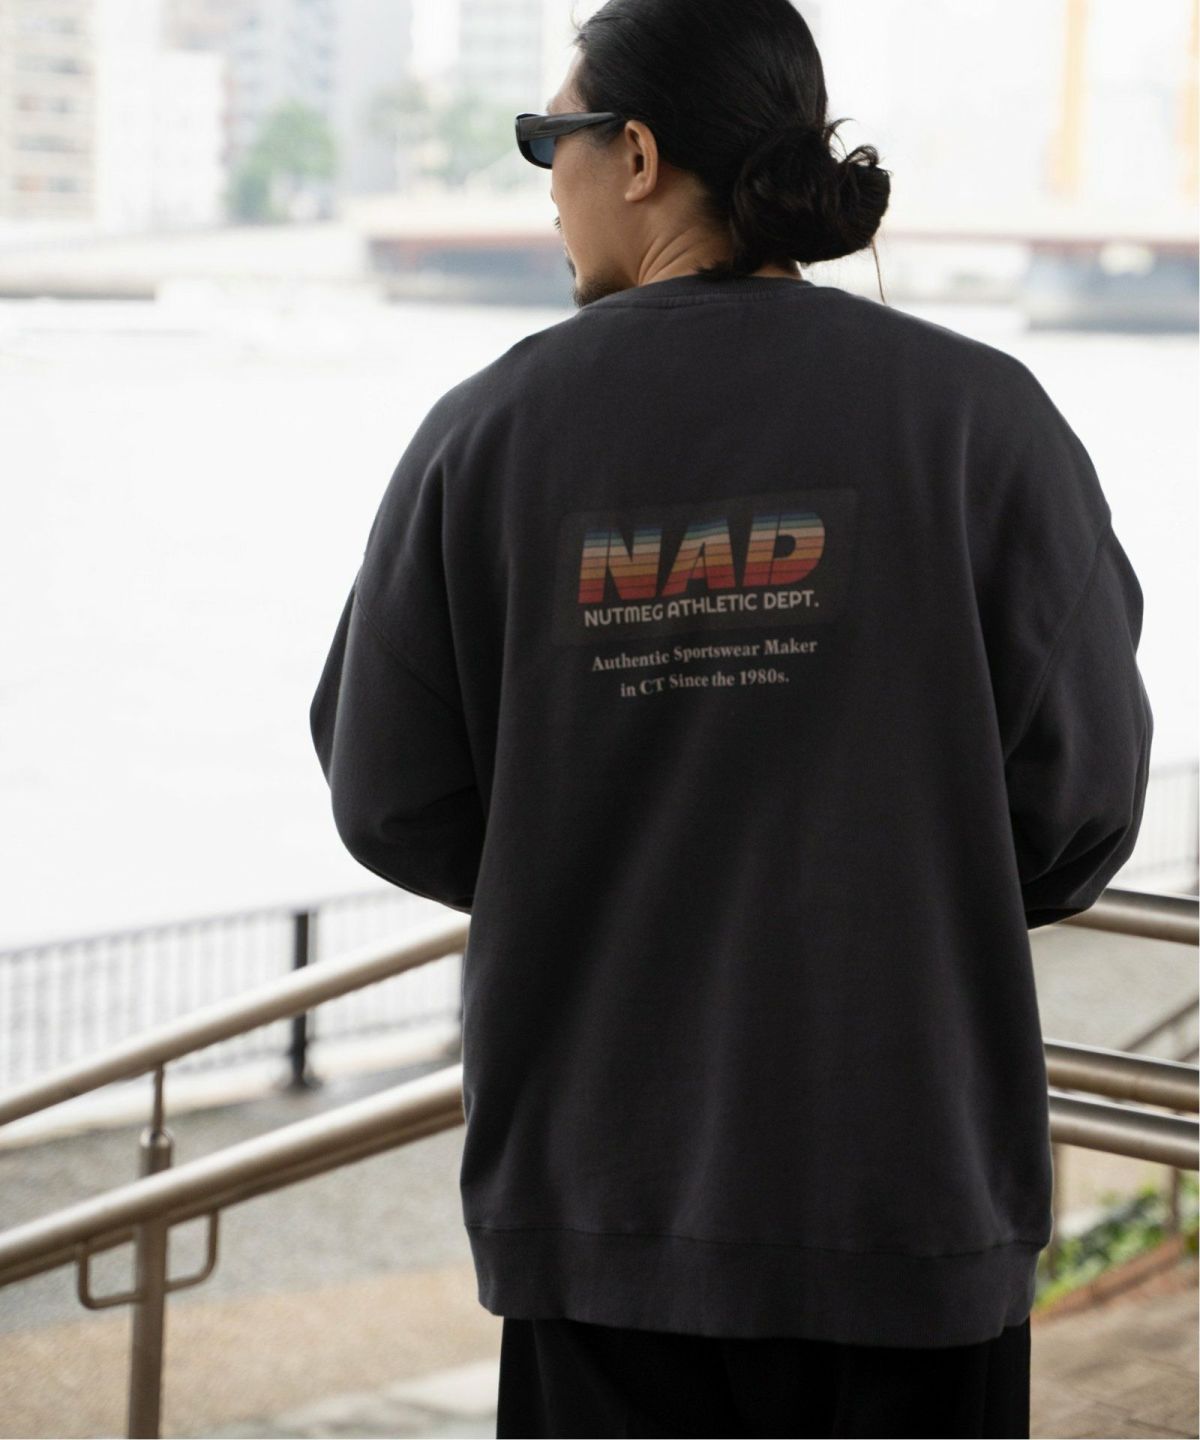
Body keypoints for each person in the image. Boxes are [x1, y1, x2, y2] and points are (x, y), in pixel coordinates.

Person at [308, 1, 1154, 1434]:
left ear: (636, 154)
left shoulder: (490, 433)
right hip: (909, 1201)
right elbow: (1081, 812)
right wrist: (906, 881)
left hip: (602, 1206)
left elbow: (390, 795)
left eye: (550, 141)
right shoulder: (982, 422)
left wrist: (589, 865)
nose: (548, 186)